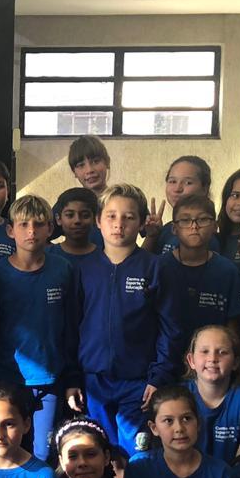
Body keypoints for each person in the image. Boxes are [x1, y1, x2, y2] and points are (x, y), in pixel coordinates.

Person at [67, 184, 182, 455]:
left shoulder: (155, 267)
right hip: (94, 381)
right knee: (100, 453)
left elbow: (171, 328)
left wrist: (158, 376)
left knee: (138, 455)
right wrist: (72, 378)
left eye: (129, 217)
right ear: (98, 221)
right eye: (111, 216)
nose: (119, 224)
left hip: (139, 383)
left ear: (141, 223)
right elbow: (71, 327)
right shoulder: (83, 269)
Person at [0, 194, 79, 460]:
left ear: (50, 228)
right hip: (8, 379)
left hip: (50, 379)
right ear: (10, 230)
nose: (31, 231)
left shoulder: (63, 269)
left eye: (38, 224)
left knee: (44, 454)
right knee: (8, 451)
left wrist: (72, 378)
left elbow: (71, 328)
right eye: (23, 224)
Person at [158, 194, 240, 342]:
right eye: (185, 220)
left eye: (203, 219)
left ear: (215, 227)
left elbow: (233, 327)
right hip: (166, 353)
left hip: (213, 353)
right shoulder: (159, 267)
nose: (194, 226)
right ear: (174, 229)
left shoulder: (228, 271)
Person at [184, 325, 240, 465]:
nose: (212, 358)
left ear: (235, 362)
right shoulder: (178, 397)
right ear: (191, 361)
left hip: (230, 476)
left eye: (222, 352)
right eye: (204, 351)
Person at [142, 155, 215, 256]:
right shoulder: (166, 229)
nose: (177, 189)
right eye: (172, 181)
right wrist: (152, 236)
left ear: (205, 188)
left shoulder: (203, 232)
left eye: (188, 182)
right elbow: (142, 263)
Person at [51, 187, 102, 258]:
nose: (77, 220)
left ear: (94, 219)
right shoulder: (45, 256)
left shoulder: (107, 256)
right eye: (70, 215)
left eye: (85, 215)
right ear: (58, 219)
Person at [67, 134, 111, 202]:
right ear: (74, 172)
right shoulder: (68, 204)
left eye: (96, 161)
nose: (89, 170)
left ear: (107, 162)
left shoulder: (122, 202)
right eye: (81, 165)